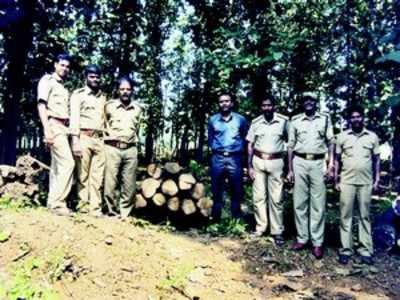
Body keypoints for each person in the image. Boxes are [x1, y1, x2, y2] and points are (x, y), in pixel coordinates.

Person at [287, 93, 334, 259]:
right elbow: (291, 145)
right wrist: (290, 169)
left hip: (318, 163)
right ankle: (302, 238)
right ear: (302, 103)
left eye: (311, 100)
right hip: (299, 162)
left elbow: (330, 142)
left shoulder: (325, 119)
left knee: (318, 204)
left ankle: (317, 242)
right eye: (305, 100)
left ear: (316, 102)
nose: (308, 102)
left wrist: (331, 165)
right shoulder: (295, 120)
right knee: (299, 202)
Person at [335, 105, 380, 265]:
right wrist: (336, 179)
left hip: (366, 182)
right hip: (346, 181)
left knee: (364, 216)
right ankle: (345, 250)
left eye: (358, 116)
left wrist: (376, 180)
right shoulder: (342, 137)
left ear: (362, 118)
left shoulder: (372, 137)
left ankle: (365, 250)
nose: (356, 119)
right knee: (345, 216)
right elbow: (336, 160)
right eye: (353, 117)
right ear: (350, 119)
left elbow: (376, 160)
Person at [246, 98, 288, 246]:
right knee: (258, 197)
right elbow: (250, 144)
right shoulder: (256, 122)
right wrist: (249, 165)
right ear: (261, 107)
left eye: (269, 105)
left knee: (276, 198)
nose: (267, 108)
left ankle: (277, 231)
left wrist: (289, 168)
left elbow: (290, 143)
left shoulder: (284, 121)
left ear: (274, 106)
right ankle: (260, 228)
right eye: (264, 105)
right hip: (258, 161)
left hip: (276, 162)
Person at [37, 53, 74, 216]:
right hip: (53, 125)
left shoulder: (63, 87)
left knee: (57, 167)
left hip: (63, 127)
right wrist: (47, 129)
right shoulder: (47, 81)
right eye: (62, 65)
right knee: (68, 163)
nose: (65, 69)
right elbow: (41, 105)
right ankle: (59, 203)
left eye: (67, 66)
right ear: (55, 65)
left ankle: (52, 202)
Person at [70, 65, 106, 217]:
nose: (95, 79)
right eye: (92, 76)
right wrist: (75, 141)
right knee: (82, 176)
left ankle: (95, 208)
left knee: (97, 177)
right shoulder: (78, 95)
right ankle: (83, 207)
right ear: (86, 77)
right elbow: (74, 118)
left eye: (97, 77)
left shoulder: (103, 97)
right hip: (83, 138)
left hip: (100, 140)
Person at [104, 77, 142, 219]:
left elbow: (137, 127)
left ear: (132, 91)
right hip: (112, 148)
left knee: (129, 184)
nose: (125, 92)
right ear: (118, 90)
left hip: (131, 149)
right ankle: (111, 212)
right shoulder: (109, 106)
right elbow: (104, 123)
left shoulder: (138, 108)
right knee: (110, 182)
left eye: (128, 89)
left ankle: (125, 213)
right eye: (122, 89)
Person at [208, 94, 248, 222]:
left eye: (227, 101)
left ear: (231, 103)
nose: (224, 103)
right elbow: (210, 139)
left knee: (236, 189)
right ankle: (215, 219)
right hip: (217, 158)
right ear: (218, 104)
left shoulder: (240, 120)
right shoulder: (213, 120)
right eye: (221, 102)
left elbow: (245, 138)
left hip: (235, 159)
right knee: (216, 189)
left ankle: (236, 220)